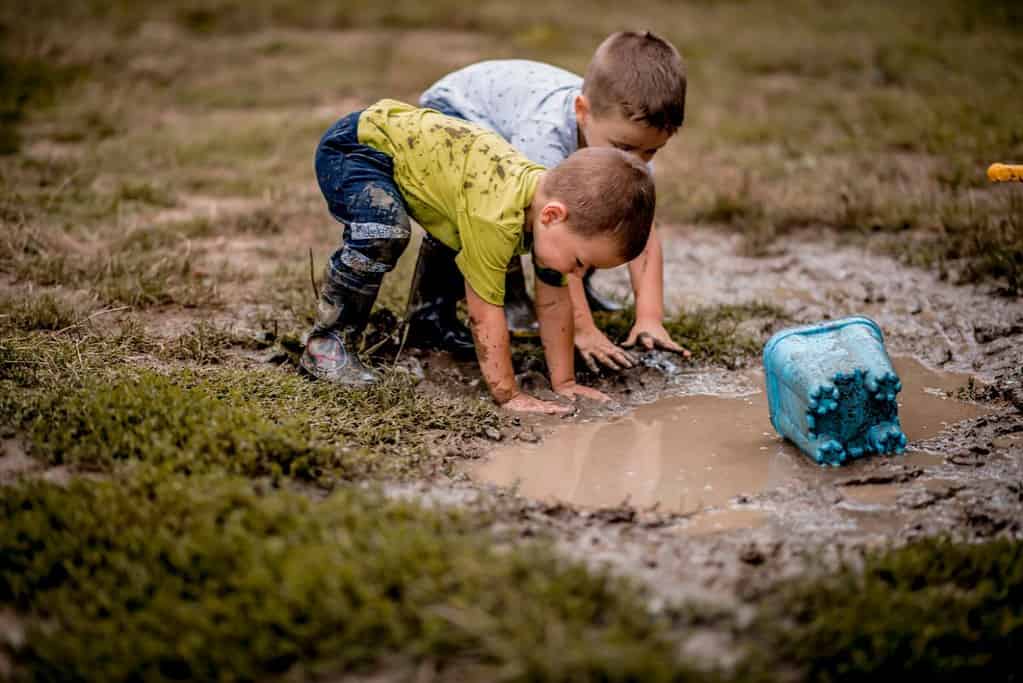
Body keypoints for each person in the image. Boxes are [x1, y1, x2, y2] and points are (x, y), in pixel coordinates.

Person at [301, 99, 656, 414]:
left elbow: (553, 303)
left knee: (458, 237)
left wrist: (563, 384)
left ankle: (428, 327)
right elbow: (484, 313)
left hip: (413, 158)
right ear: (552, 215)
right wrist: (508, 394)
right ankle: (327, 343)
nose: (578, 272)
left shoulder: (544, 213)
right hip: (359, 148)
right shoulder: (496, 218)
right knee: (385, 231)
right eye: (581, 261)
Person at [416, 30, 690, 371]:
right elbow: (557, 239)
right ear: (582, 112)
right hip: (458, 113)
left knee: (603, 213)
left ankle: (568, 295)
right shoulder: (544, 138)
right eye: (624, 148)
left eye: (652, 151)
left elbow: (643, 231)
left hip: (507, 115)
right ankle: (430, 317)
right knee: (493, 214)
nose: (637, 162)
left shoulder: (624, 146)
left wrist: (649, 317)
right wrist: (582, 331)